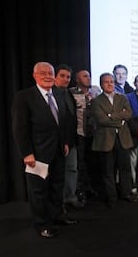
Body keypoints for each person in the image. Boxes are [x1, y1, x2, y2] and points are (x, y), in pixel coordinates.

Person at [12, 62, 77, 238]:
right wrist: (27, 153)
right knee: (38, 190)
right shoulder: (24, 97)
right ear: (34, 75)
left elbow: (62, 123)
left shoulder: (58, 94)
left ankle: (57, 216)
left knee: (57, 186)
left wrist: (64, 143)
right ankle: (42, 224)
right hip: (37, 154)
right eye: (43, 73)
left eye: (50, 73)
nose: (48, 76)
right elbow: (20, 128)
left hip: (58, 151)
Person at [91, 73, 138, 207]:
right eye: (106, 82)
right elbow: (101, 120)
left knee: (125, 168)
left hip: (122, 139)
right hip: (105, 141)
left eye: (112, 81)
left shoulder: (122, 97)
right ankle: (111, 197)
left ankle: (126, 193)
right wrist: (119, 120)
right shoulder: (96, 101)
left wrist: (111, 115)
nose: (110, 84)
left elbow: (128, 114)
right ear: (101, 84)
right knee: (108, 171)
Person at [54, 64, 84, 209]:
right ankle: (59, 202)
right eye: (62, 76)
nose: (66, 79)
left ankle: (70, 197)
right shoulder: (51, 94)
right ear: (55, 76)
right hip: (58, 142)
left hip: (71, 140)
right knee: (58, 173)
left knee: (72, 170)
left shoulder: (68, 93)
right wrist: (63, 141)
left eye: (68, 77)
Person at [69, 70, 102, 203]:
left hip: (95, 133)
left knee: (94, 162)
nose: (88, 78)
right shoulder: (71, 92)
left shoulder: (96, 91)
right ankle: (80, 190)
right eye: (84, 76)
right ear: (77, 79)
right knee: (80, 163)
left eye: (89, 76)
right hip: (80, 133)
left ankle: (92, 188)